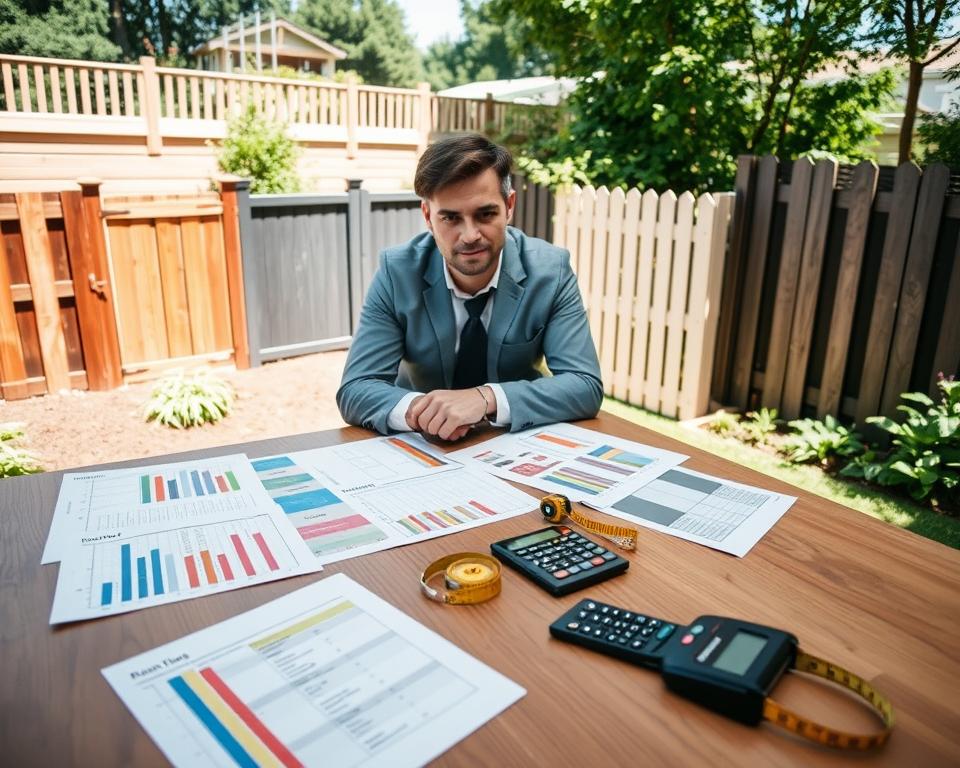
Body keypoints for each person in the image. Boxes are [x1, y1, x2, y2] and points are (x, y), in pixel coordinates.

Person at [336, 133, 602, 441]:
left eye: (485, 214)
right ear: (428, 217)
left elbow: (585, 385)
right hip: (426, 445)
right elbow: (356, 388)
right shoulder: (397, 271)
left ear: (509, 206)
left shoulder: (551, 270)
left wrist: (484, 398)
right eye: (450, 218)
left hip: (514, 441)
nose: (470, 235)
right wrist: (425, 411)